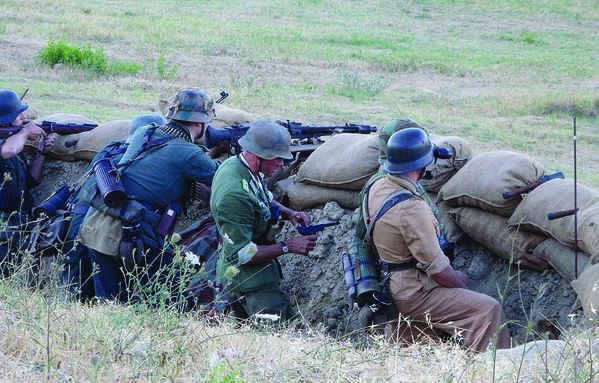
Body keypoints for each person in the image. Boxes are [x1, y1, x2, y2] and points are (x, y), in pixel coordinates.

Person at [362, 127, 511, 352]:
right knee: (487, 310)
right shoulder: (412, 208)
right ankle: (492, 371)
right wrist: (460, 282)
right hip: (415, 292)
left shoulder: (377, 186)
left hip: (391, 285)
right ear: (422, 165)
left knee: (414, 349)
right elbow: (438, 269)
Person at [79, 88, 219, 308]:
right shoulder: (190, 154)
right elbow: (225, 178)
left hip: (98, 225)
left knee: (110, 305)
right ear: (201, 124)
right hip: (135, 233)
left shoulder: (144, 131)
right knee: (170, 302)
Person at [210, 119, 317, 324]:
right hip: (250, 283)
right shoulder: (234, 194)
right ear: (258, 155)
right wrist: (288, 246)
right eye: (276, 159)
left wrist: (289, 213)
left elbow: (263, 199)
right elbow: (240, 254)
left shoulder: (244, 168)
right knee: (288, 336)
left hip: (253, 276)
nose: (281, 164)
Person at [60, 113, 167, 301]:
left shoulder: (109, 149)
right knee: (107, 294)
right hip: (100, 223)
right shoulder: (146, 159)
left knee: (74, 290)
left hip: (81, 219)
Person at [0, 89, 57, 276]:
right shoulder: (10, 145)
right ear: (6, 121)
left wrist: (42, 151)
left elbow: (30, 180)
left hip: (17, 225)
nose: (23, 118)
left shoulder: (13, 144)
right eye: (18, 115)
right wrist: (25, 133)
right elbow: (6, 152)